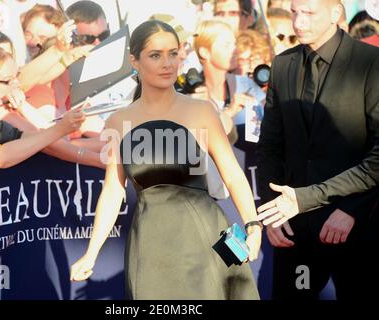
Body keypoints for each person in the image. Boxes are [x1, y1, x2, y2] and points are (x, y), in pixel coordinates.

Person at [70, 19, 261, 300]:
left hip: (206, 236)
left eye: (173, 54)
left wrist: (252, 225)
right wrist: (91, 253)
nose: (167, 63)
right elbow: (112, 191)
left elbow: (232, 174)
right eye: (155, 55)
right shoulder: (119, 120)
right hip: (150, 244)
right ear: (133, 61)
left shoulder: (201, 111)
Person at [256, 0, 379, 300]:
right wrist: (275, 213)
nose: (298, 22)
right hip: (295, 230)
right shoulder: (283, 64)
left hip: (357, 226)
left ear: (336, 13)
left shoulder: (370, 62)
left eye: (309, 13)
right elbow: (270, 147)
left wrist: (352, 210)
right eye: (294, 12)